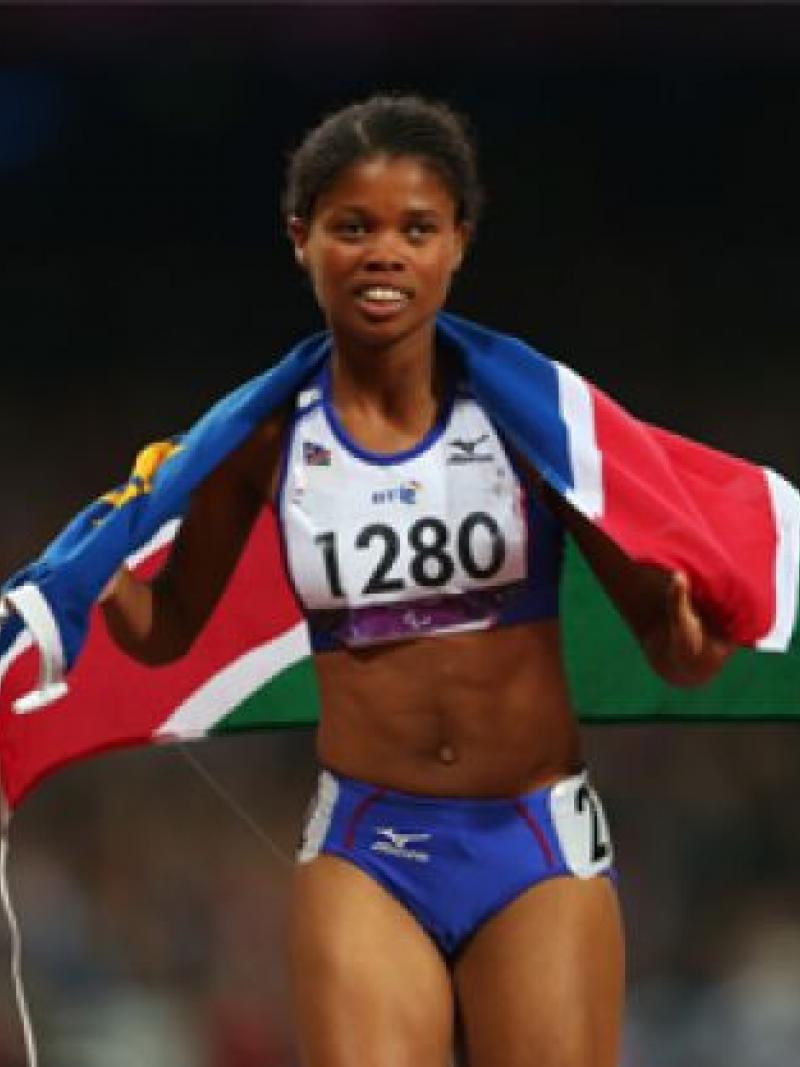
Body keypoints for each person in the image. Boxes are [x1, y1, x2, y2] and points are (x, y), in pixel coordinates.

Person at [98, 95, 733, 1067]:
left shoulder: (534, 419)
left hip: (533, 841)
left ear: (457, 244)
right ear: (301, 239)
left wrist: (687, 643)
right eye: (352, 227)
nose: (383, 252)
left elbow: (664, 637)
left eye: (415, 227)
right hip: (366, 843)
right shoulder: (261, 437)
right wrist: (99, 580)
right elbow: (166, 628)